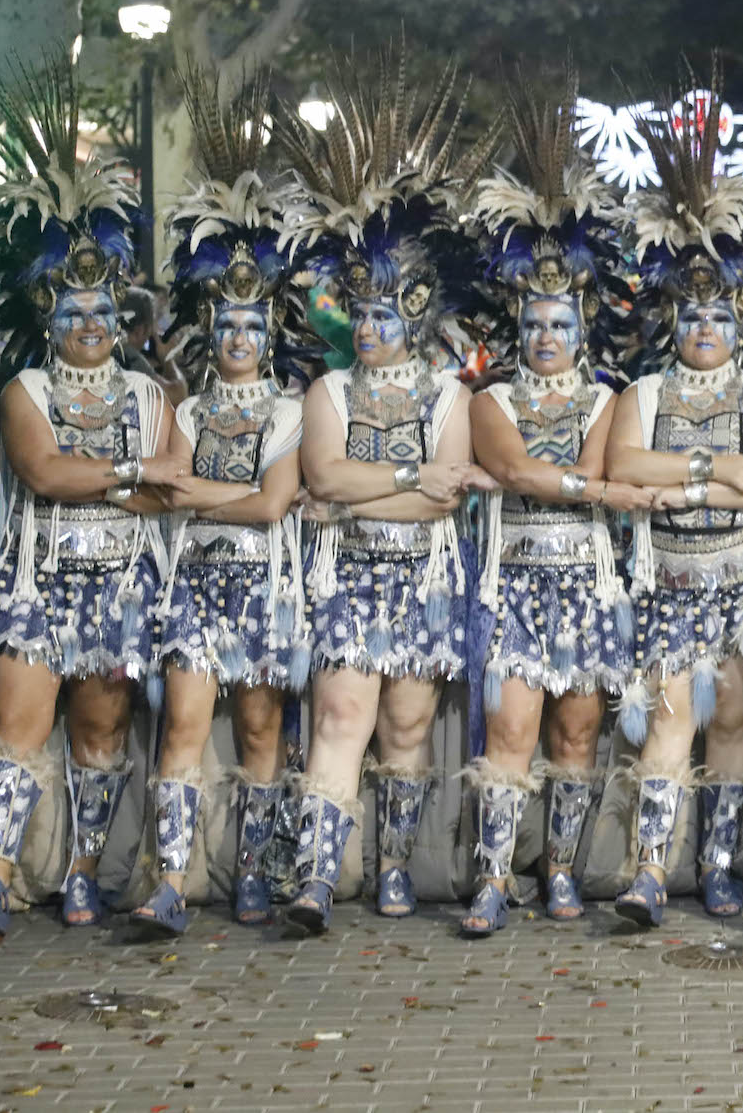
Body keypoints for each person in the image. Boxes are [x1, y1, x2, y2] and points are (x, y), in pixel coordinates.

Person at [0, 56, 179, 939]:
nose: (88, 325)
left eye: (101, 311)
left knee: (99, 730)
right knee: (16, 724)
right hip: (31, 578)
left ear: (119, 316)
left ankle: (87, 873)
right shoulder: (22, 388)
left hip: (121, 586)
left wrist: (129, 482)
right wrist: (128, 477)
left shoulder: (149, 396)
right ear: (48, 322)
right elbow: (47, 474)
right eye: (70, 314)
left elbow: (162, 499)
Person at [278, 47, 497, 934]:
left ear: (413, 318)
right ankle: (315, 879)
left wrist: (369, 494)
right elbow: (322, 474)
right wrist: (401, 479)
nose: (369, 328)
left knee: (406, 728)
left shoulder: (453, 394)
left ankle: (396, 868)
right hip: (347, 578)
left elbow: (446, 499)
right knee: (339, 714)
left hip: (426, 578)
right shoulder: (324, 392)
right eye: (360, 314)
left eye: (385, 315)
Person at [607, 64, 743, 928]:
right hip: (671, 579)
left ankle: (718, 869)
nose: (704, 330)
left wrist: (735, 484)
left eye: (718, 318)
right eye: (689, 320)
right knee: (669, 719)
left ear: (738, 323)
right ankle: (649, 869)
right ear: (670, 325)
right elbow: (626, 468)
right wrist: (715, 474)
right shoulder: (641, 392)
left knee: (731, 722)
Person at [459, 72, 646, 936]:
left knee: (575, 737)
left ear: (582, 329)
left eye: (560, 325)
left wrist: (571, 478)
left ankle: (560, 871)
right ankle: (495, 876)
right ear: (517, 329)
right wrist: (587, 483)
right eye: (533, 325)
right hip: (514, 582)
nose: (545, 338)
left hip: (588, 583)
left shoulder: (610, 395)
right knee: (512, 731)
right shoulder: (488, 398)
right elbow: (525, 474)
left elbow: (581, 467)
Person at [126, 69, 311, 939]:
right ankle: (170, 878)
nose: (238, 338)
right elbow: (167, 492)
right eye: (226, 325)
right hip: (195, 590)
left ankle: (257, 874)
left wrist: (205, 494)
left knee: (263, 726)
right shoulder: (187, 409)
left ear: (271, 332)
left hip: (267, 590)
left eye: (253, 326)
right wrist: (216, 495)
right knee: (185, 727)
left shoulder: (293, 409)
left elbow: (275, 505)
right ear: (211, 329)